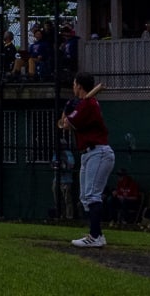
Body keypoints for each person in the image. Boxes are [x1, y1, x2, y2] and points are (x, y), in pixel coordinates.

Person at [62, 74, 112, 248]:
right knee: (85, 197)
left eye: (75, 84)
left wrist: (69, 112)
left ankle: (95, 236)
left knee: (92, 195)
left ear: (80, 86)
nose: (73, 87)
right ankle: (97, 234)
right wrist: (69, 111)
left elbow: (65, 124)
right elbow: (64, 124)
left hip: (98, 151)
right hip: (89, 153)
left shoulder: (88, 104)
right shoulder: (85, 104)